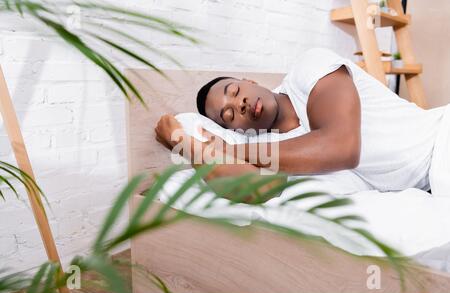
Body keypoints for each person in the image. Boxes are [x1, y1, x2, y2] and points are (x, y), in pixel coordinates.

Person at [155, 48, 448, 199]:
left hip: (441, 140)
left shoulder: (309, 69)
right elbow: (253, 190)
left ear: (248, 81)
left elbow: (342, 147)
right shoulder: (264, 149)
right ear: (235, 131)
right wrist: (183, 141)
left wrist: (233, 151)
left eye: (235, 91)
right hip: (428, 185)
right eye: (229, 116)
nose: (239, 104)